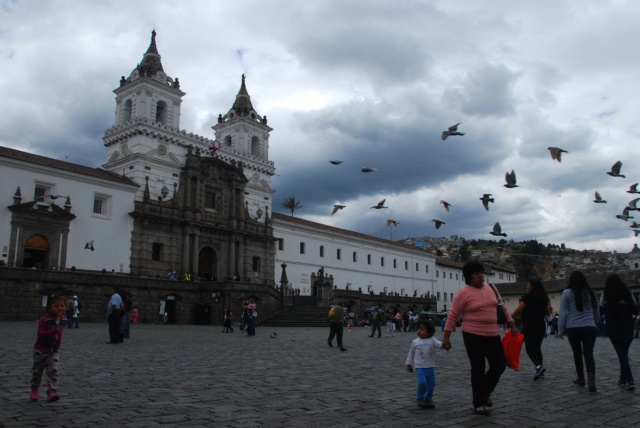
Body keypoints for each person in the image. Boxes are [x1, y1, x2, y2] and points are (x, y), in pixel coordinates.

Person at [442, 260, 517, 416]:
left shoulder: (492, 288)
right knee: (478, 367)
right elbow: (453, 315)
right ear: (469, 277)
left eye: (481, 273)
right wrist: (446, 337)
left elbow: (502, 306)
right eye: (477, 274)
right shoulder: (463, 294)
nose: (481, 276)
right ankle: (479, 403)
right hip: (472, 334)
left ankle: (485, 392)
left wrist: (512, 324)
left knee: (499, 365)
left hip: (493, 333)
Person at [557, 270, 599, 392]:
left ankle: (581, 378)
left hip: (573, 327)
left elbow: (563, 312)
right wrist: (595, 323)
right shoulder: (590, 292)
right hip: (589, 326)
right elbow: (596, 310)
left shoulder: (567, 293)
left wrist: (560, 330)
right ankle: (591, 379)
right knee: (589, 353)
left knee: (577, 353)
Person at [600, 274, 638, 391]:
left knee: (622, 354)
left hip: (613, 326)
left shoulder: (605, 295)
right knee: (624, 352)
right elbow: (635, 309)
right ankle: (622, 378)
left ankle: (630, 380)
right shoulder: (628, 294)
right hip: (627, 326)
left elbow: (601, 310)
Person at [30, 296, 66, 402]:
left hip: (54, 350)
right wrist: (54, 330)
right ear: (49, 308)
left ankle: (52, 392)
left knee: (53, 371)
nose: (60, 308)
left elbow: (60, 334)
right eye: (56, 306)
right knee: (37, 372)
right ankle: (34, 390)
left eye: (62, 305)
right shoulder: (44, 319)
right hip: (40, 350)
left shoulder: (63, 319)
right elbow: (41, 334)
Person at [511, 279, 549, 380]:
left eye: (528, 285)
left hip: (530, 326)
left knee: (529, 349)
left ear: (532, 287)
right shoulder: (544, 297)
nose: (527, 286)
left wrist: (510, 317)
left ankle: (538, 367)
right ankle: (540, 370)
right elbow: (548, 311)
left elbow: (519, 309)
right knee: (537, 348)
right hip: (541, 325)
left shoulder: (527, 298)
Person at [406, 319, 446, 408]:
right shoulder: (415, 341)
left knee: (431, 384)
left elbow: (440, 345)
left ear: (428, 332)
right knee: (422, 383)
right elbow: (411, 353)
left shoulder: (432, 340)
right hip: (420, 367)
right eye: (418, 329)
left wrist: (445, 345)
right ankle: (420, 397)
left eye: (422, 329)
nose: (419, 331)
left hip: (430, 366)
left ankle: (428, 399)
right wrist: (409, 363)